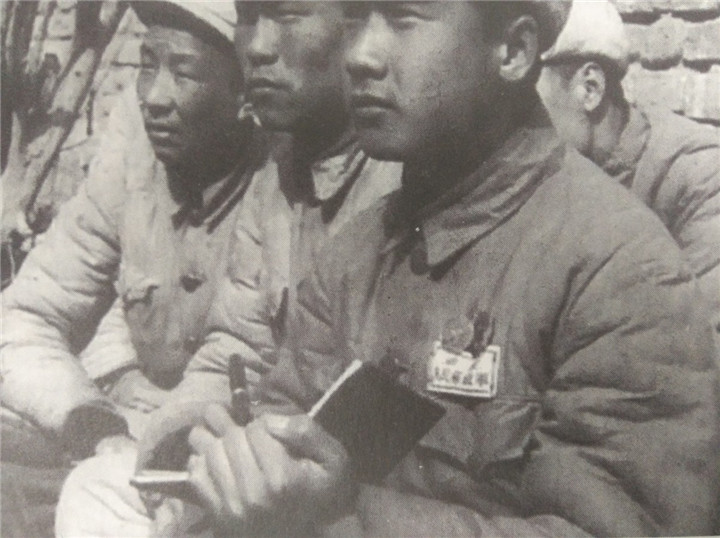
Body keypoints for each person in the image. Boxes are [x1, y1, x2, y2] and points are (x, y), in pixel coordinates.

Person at [180, 2, 719, 536]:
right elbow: (280, 444)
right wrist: (240, 477)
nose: (359, 56)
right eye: (354, 18)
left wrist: (337, 518)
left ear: (512, 51)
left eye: (403, 18)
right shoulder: (354, 256)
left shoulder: (619, 271)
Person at [54, 3, 401, 536]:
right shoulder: (282, 174)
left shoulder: (404, 173)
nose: (257, 46)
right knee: (101, 487)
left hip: (361, 496)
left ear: (361, 28)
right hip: (273, 470)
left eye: (286, 15)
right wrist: (176, 451)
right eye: (248, 16)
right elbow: (235, 346)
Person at [1, 1, 262, 535]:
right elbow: (26, 315)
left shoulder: (282, 173)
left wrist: (145, 445)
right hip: (126, 430)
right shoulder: (137, 152)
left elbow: (248, 360)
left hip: (228, 460)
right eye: (147, 64)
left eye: (183, 72)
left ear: (247, 95)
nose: (154, 96)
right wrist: (93, 424)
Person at [536, 0, 720, 332]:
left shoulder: (699, 174)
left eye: (526, 98)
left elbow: (704, 339)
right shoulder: (542, 177)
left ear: (590, 88)